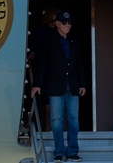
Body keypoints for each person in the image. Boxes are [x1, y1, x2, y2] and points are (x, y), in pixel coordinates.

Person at [31, 11, 86, 163]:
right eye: (64, 23)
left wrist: (82, 84)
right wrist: (37, 84)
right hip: (55, 85)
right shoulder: (48, 41)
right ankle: (59, 152)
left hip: (73, 85)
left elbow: (79, 63)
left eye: (69, 23)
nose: (67, 25)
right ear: (57, 24)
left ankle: (73, 151)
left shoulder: (74, 40)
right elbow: (42, 63)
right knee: (56, 120)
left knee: (74, 119)